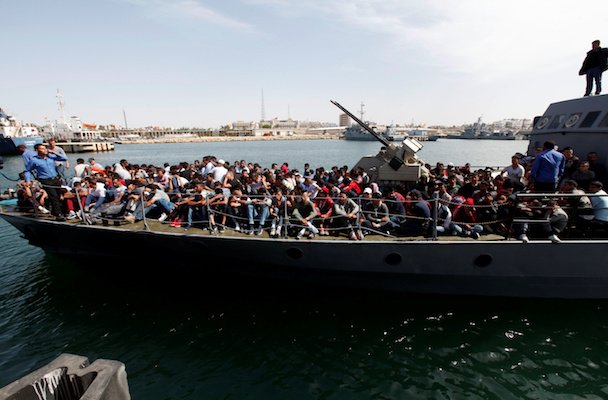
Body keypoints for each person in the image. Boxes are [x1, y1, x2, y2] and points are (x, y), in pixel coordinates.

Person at [24, 143, 68, 220]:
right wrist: (28, 180)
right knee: (53, 196)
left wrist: (55, 153)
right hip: (46, 180)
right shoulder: (34, 160)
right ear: (37, 150)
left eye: (45, 148)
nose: (44, 150)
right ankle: (58, 215)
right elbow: (27, 170)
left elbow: (64, 158)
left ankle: (56, 212)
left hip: (55, 179)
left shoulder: (50, 157)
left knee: (58, 196)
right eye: (42, 149)